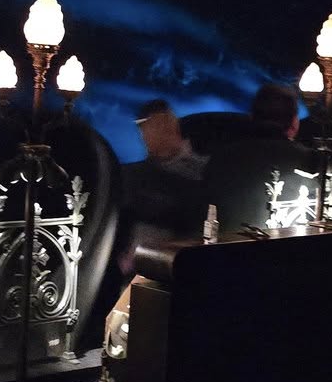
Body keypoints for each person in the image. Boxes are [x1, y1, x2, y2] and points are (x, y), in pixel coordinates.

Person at [201, 83, 311, 234]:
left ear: (252, 117)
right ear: (294, 123)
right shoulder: (310, 162)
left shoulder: (221, 158)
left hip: (225, 246)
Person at [120, 98, 209, 265]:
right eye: (145, 130)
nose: (147, 136)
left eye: (163, 125)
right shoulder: (132, 175)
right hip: (139, 262)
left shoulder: (207, 170)